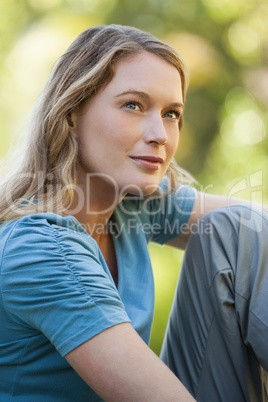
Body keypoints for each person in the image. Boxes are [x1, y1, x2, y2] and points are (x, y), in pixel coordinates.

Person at [0, 24, 267, 401]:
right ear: (71, 113)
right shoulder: (40, 250)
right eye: (133, 105)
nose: (160, 133)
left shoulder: (129, 206)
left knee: (238, 231)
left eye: (172, 113)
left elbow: (257, 225)